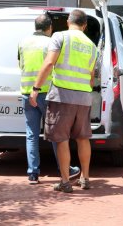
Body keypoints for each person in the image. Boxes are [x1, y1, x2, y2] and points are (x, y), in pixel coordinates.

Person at [29, 9, 97, 193]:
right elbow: (92, 79)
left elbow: (49, 63)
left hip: (62, 96)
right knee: (83, 138)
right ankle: (85, 178)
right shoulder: (92, 46)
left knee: (62, 139)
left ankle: (65, 182)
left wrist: (35, 89)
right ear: (84, 25)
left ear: (68, 21)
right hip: (84, 98)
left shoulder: (60, 37)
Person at [18, 14, 80, 184]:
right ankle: (64, 169)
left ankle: (32, 173)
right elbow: (55, 66)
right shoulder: (50, 43)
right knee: (55, 132)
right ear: (49, 27)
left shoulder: (23, 42)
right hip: (47, 93)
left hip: (27, 92)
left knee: (31, 134)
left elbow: (21, 64)